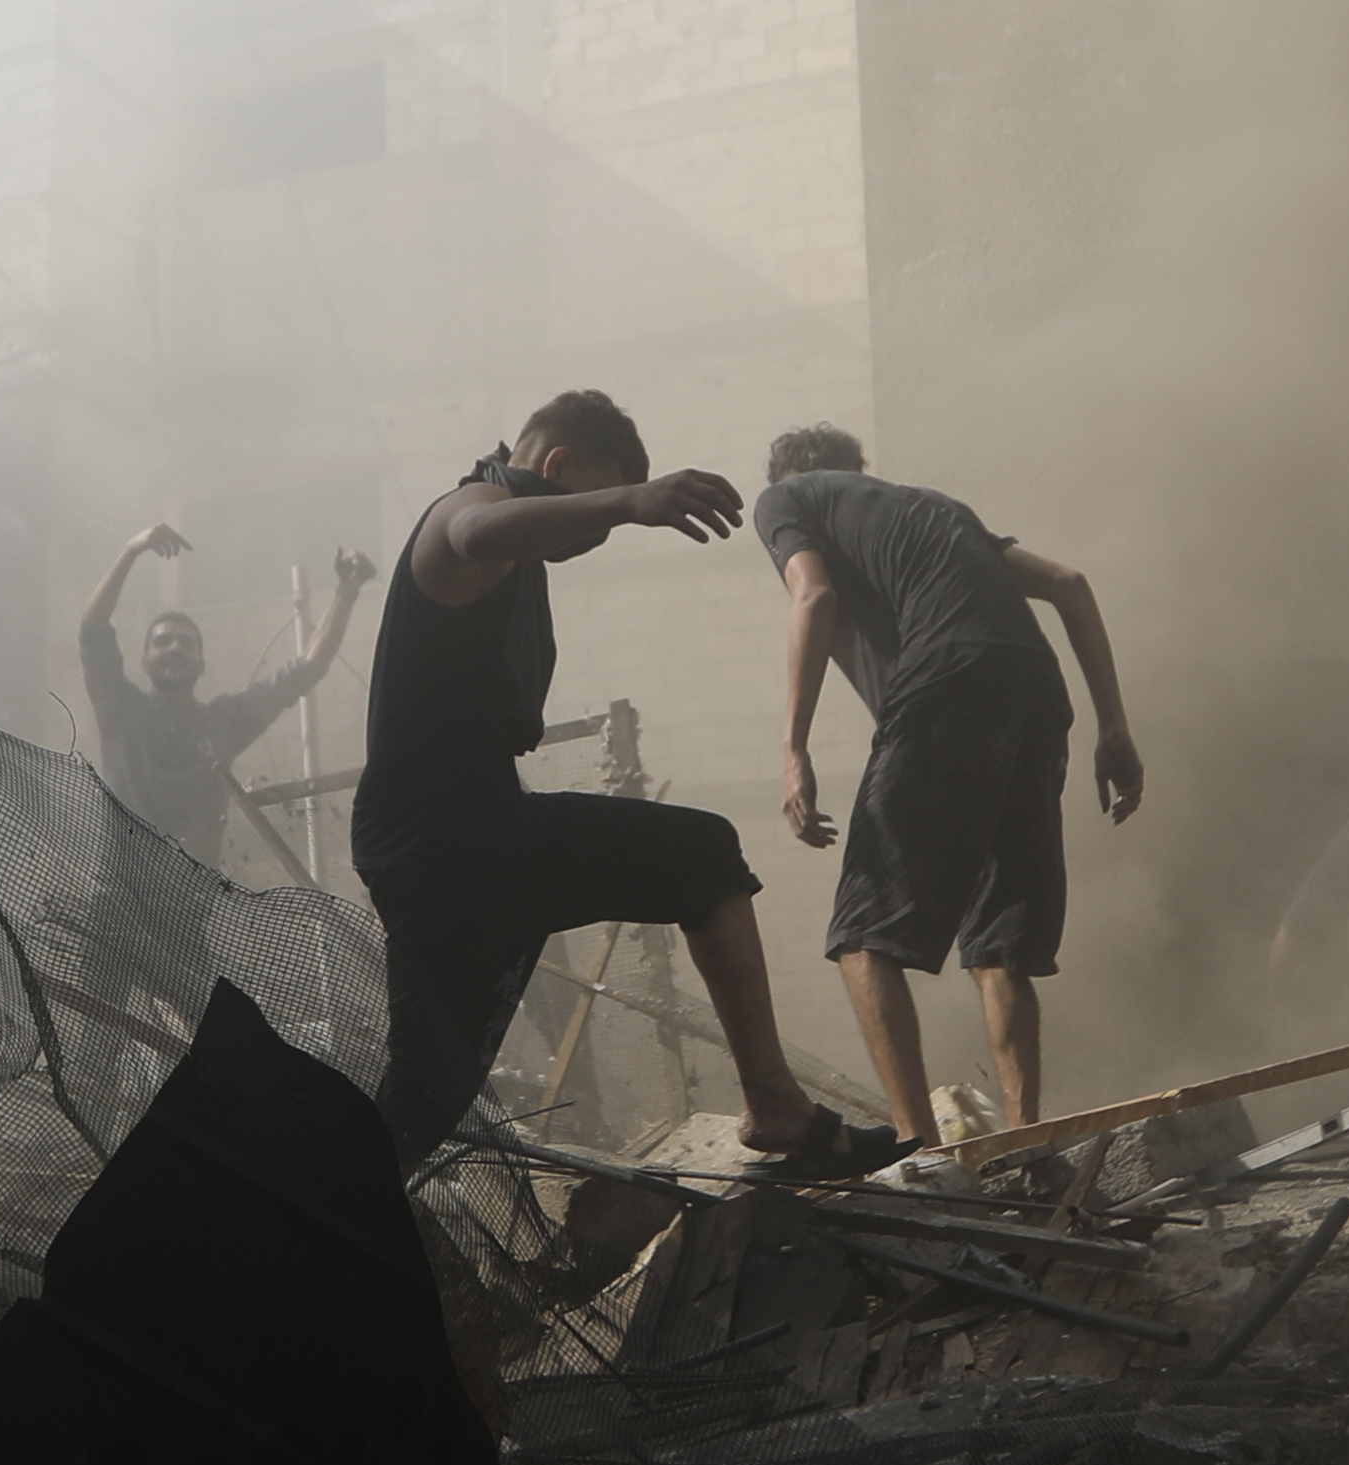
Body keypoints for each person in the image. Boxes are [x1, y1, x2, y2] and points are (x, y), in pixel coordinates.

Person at [354, 388, 888, 1172]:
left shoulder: (513, 529)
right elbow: (473, 531)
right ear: (557, 464)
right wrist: (632, 501)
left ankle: (774, 1103)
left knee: (703, 856)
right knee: (416, 1110)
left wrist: (615, 505)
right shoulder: (469, 504)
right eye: (593, 510)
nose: (597, 535)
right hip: (439, 852)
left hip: (494, 830)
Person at [759, 422, 1143, 1146]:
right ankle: (1025, 1140)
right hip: (1035, 696)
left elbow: (812, 598)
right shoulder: (935, 509)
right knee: (999, 942)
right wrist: (1114, 728)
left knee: (861, 936)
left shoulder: (787, 498)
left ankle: (918, 1148)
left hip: (947, 689)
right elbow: (1068, 583)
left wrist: (792, 749)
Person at [76, 522, 372, 869]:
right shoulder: (120, 709)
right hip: (118, 896)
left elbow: (307, 668)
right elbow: (92, 630)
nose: (174, 648)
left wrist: (346, 592)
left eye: (186, 642)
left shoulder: (223, 722)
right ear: (144, 662)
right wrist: (131, 550)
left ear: (201, 665)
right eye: (162, 641)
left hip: (189, 901)